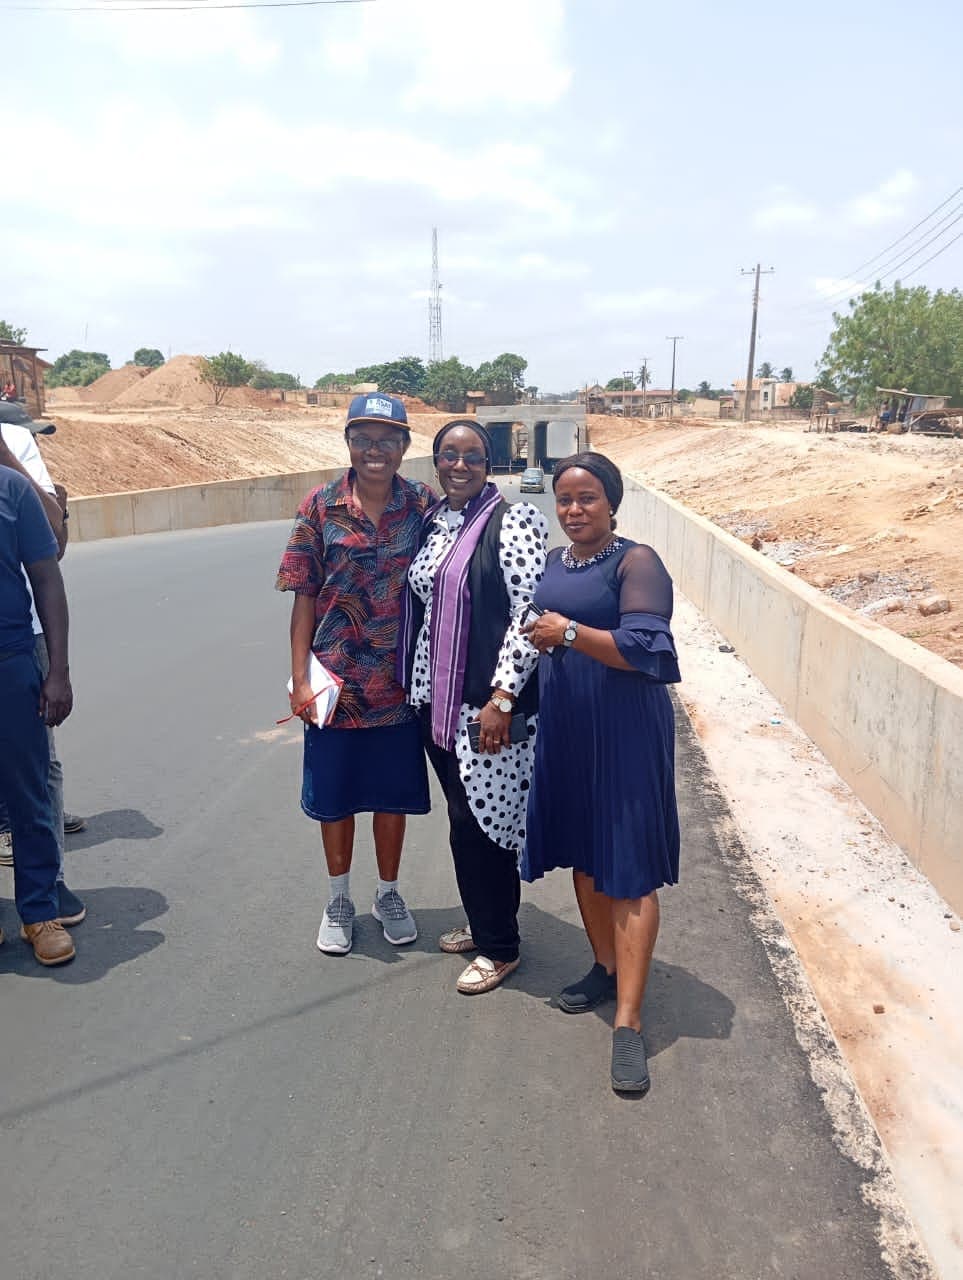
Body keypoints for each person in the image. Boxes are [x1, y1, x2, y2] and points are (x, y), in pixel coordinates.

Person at [522, 452, 680, 1093]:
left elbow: (647, 649)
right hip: (567, 728)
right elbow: (527, 633)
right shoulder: (557, 563)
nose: (574, 510)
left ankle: (629, 1023)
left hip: (625, 732)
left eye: (587, 498)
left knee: (629, 868)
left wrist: (567, 635)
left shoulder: (636, 562)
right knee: (587, 859)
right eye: (564, 499)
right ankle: (604, 967)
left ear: (612, 503)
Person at [276, 394, 434, 956]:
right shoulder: (320, 507)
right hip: (335, 682)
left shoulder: (423, 505)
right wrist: (299, 677)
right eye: (363, 438)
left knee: (391, 797)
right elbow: (304, 597)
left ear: (404, 447)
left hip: (399, 685)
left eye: (387, 439)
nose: (375, 450)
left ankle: (387, 893)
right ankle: (338, 898)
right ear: (348, 443)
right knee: (336, 798)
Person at [399, 421, 548, 994]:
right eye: (449, 455)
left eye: (473, 456)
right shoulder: (437, 522)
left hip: (486, 712)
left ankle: (502, 946)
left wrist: (502, 696)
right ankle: (486, 923)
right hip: (434, 707)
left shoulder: (513, 520)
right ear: (435, 462)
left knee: (490, 829)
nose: (460, 465)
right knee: (465, 823)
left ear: (491, 463)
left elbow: (529, 614)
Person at [0, 422, 86, 922]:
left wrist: (59, 671)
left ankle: (42, 906)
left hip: (14, 653)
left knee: (32, 783)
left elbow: (52, 553)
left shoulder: (14, 471)